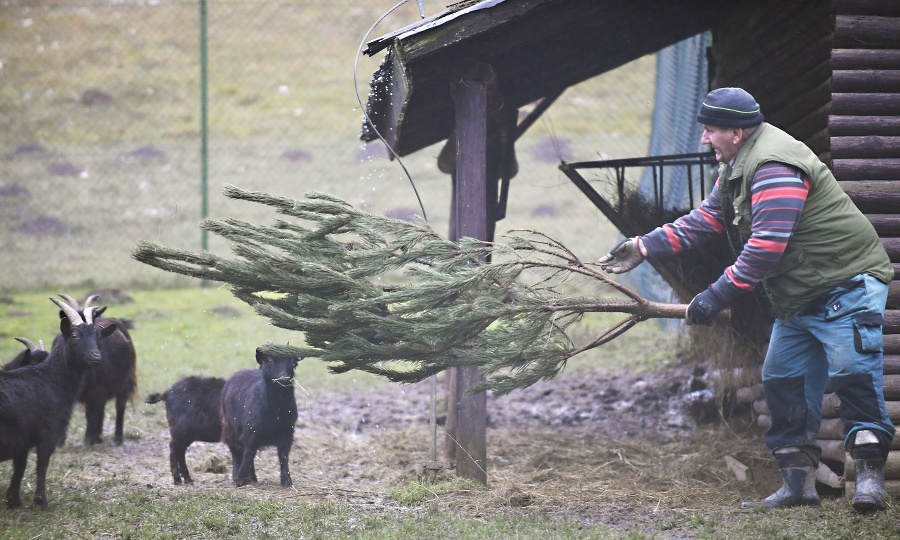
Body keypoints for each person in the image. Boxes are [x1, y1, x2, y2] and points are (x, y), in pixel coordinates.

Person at [599, 87, 895, 512]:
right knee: (782, 382)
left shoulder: (774, 165)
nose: (704, 138)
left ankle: (869, 483)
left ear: (737, 133)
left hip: (844, 287)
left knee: (853, 376)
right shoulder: (738, 164)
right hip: (798, 297)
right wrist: (645, 246)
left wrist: (713, 295)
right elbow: (707, 219)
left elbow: (766, 246)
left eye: (711, 129)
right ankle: (799, 486)